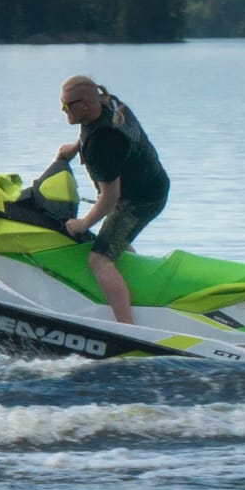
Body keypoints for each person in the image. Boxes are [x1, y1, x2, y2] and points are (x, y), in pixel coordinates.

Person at [55, 75, 170, 326]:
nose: (63, 112)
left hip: (141, 199)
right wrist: (75, 148)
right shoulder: (107, 102)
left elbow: (110, 197)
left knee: (99, 260)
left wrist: (83, 224)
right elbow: (91, 130)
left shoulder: (105, 142)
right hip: (149, 182)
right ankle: (136, 289)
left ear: (85, 104)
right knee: (114, 240)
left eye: (66, 107)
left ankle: (127, 328)